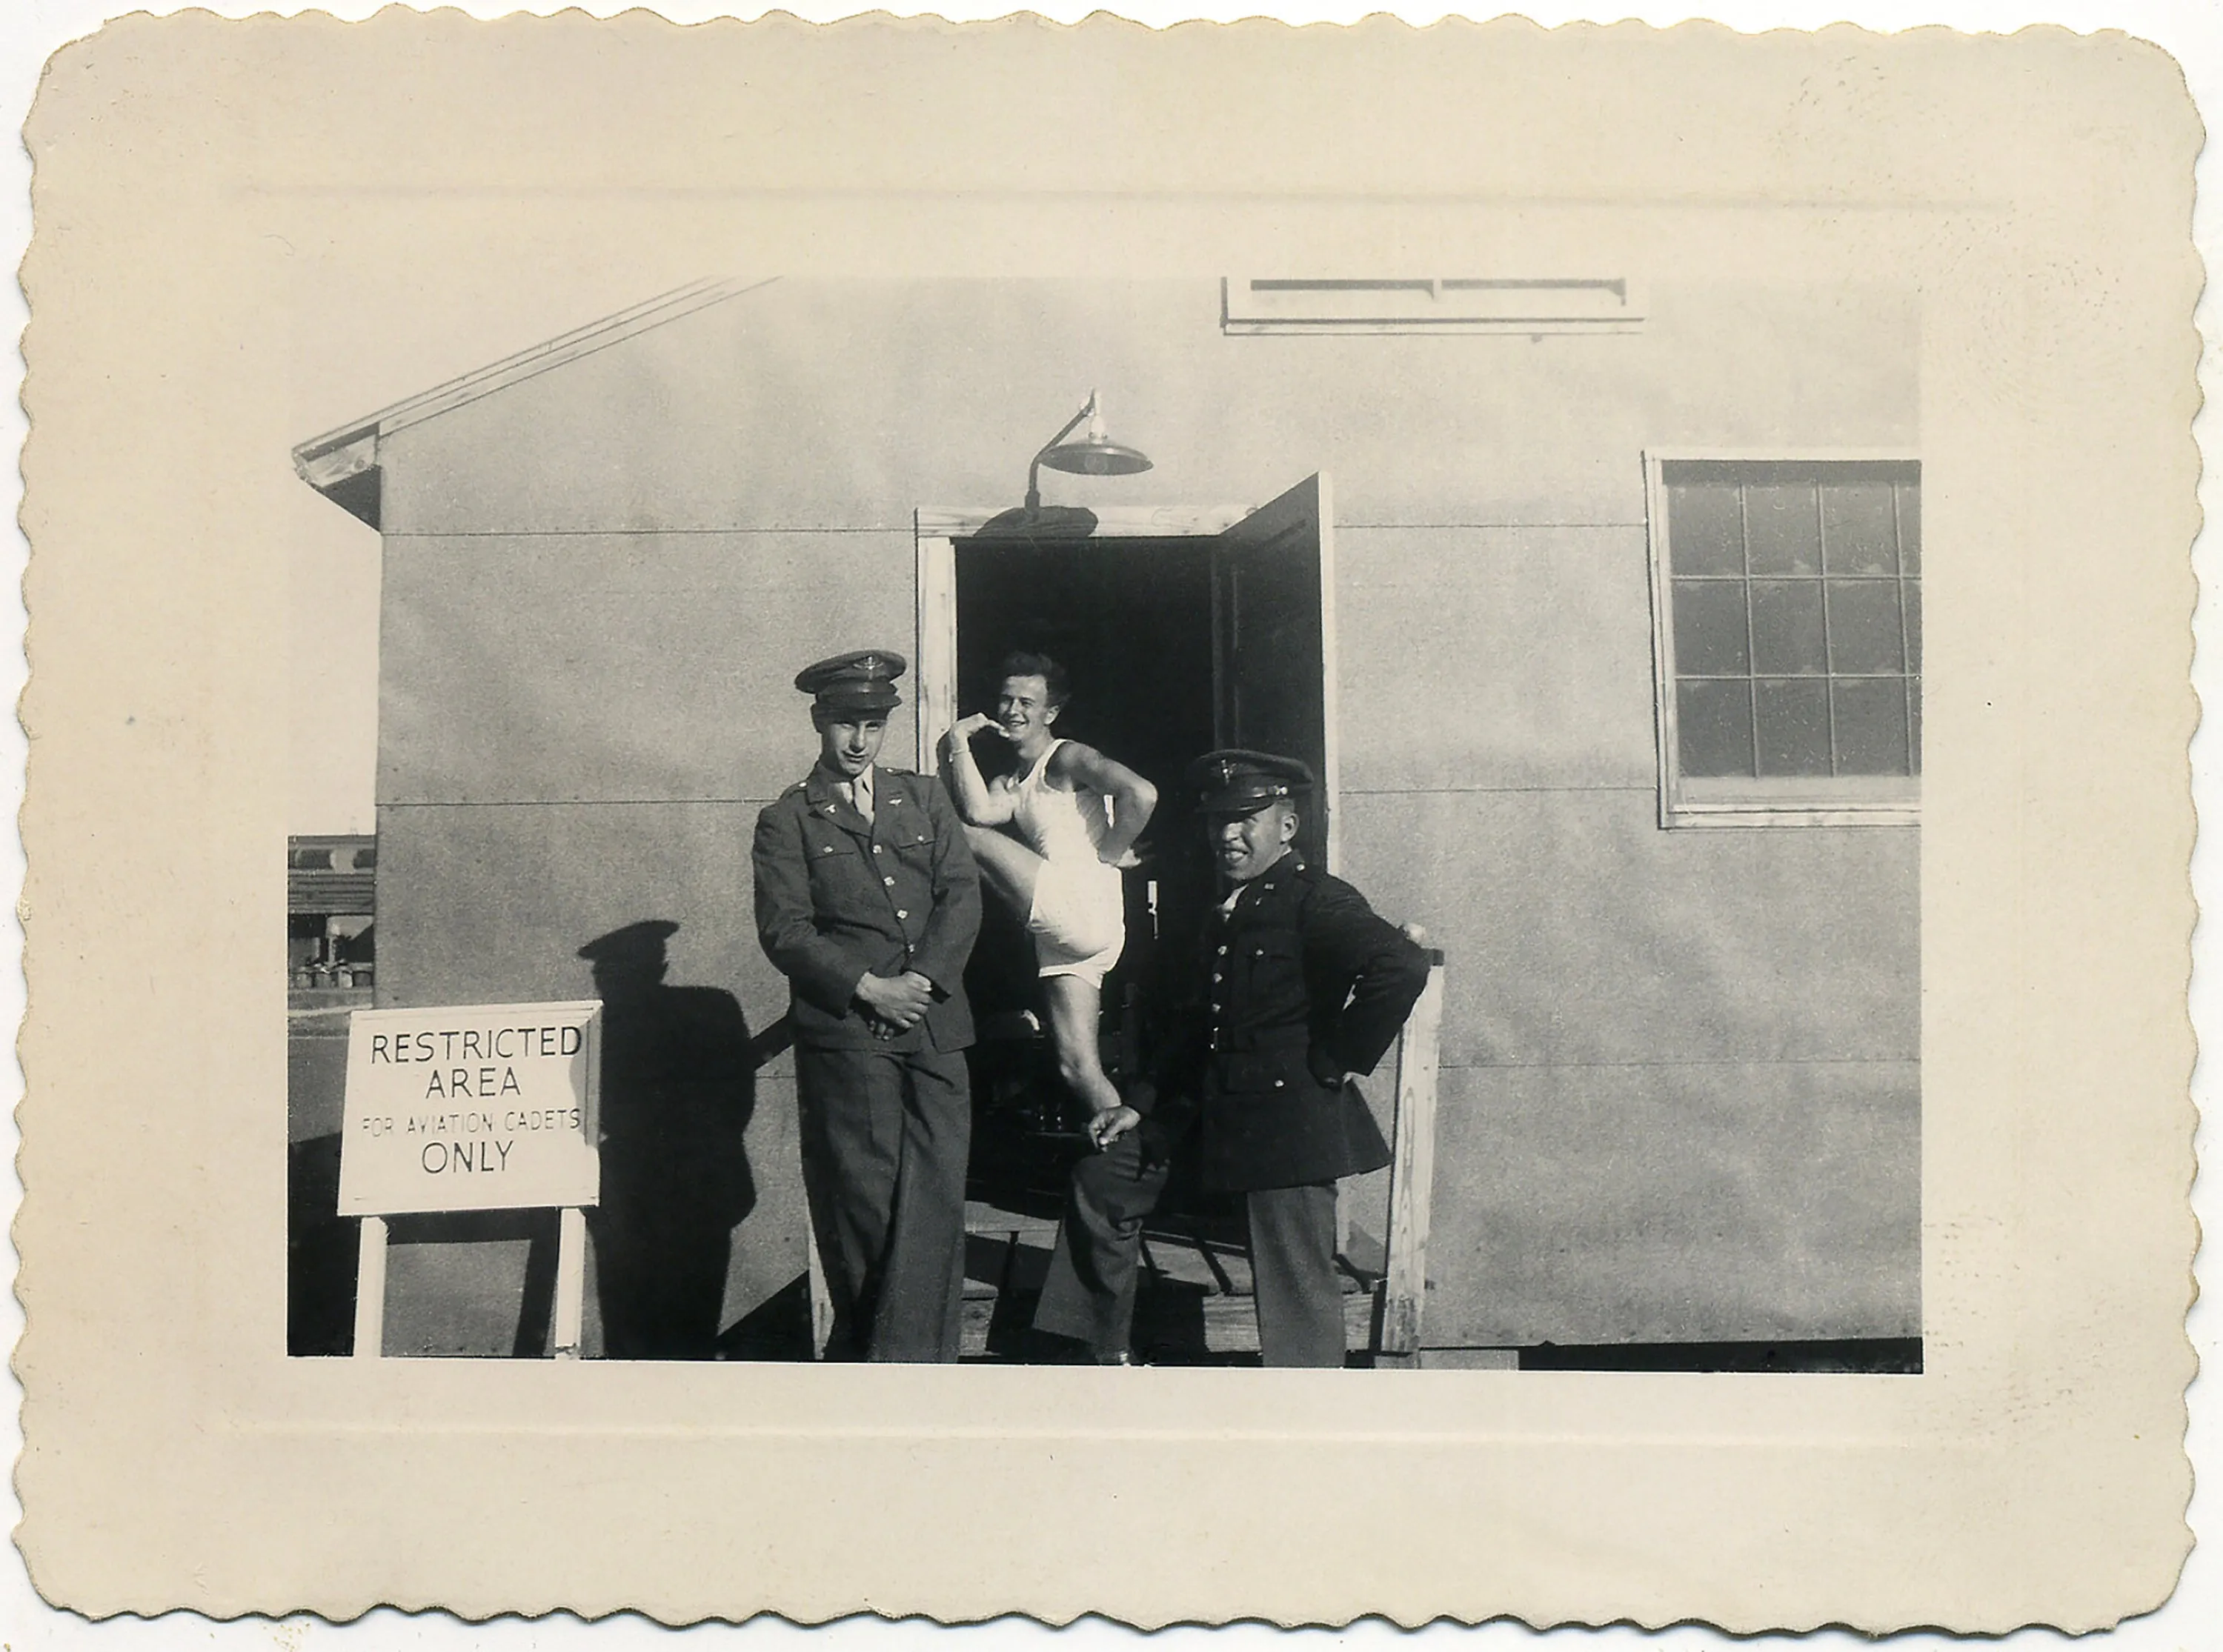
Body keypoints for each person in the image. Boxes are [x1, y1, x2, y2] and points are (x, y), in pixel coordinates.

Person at [1034, 749, 1430, 1367]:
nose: (1229, 835)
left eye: (1247, 818)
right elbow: (1197, 1024)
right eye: (1219, 820)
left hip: (1283, 1126)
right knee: (1102, 1182)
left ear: (1287, 827)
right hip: (1205, 1116)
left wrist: (1332, 1061)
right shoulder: (1225, 909)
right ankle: (1098, 1355)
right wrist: (1140, 1105)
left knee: (1296, 1281)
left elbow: (1400, 966)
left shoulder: (1315, 899)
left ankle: (1306, 1412)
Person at [753, 649, 982, 1362]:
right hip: (851, 1034)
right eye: (846, 724)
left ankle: (920, 1366)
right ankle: (874, 1363)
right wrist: (868, 987)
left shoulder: (923, 798)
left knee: (938, 1200)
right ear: (819, 722)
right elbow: (785, 930)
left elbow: (961, 896)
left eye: (874, 725)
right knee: (867, 1207)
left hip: (936, 1027)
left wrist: (926, 984)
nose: (860, 741)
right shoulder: (787, 817)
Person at [939, 651, 1158, 1150]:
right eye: (1006, 699)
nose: (1013, 711)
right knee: (1076, 1066)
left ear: (1050, 713)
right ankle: (1134, 1166)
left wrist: (1112, 851)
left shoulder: (1066, 756)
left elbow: (1141, 795)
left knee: (959, 838)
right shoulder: (1012, 783)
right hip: (1080, 932)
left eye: (1027, 702)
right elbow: (978, 808)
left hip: (1078, 901)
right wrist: (957, 741)